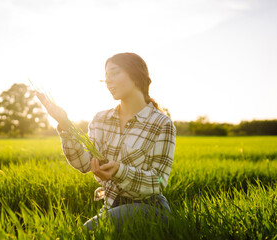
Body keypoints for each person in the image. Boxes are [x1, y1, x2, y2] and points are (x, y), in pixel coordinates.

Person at [35, 52, 176, 230]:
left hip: (150, 208)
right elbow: (83, 164)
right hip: (111, 207)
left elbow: (158, 183)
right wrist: (65, 124)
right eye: (106, 77)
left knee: (86, 232)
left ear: (135, 75)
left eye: (114, 73)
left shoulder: (161, 124)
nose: (108, 81)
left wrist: (119, 171)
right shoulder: (101, 119)